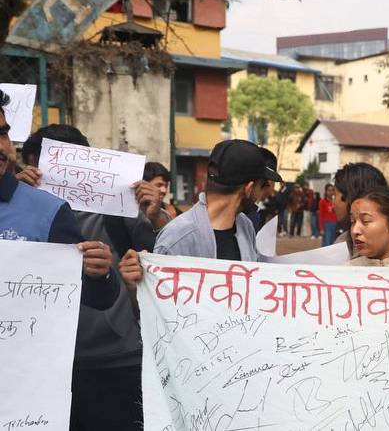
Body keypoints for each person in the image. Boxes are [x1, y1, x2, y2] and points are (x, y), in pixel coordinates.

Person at [20, 124, 168, 431]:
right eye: (41, 172)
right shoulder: (19, 207)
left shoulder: (119, 206)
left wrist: (156, 215)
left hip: (116, 358)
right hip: (42, 362)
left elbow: (164, 254)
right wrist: (14, 200)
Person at [0, 90, 117, 311]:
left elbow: (94, 295)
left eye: (3, 134)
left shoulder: (50, 211)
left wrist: (99, 274)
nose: (2, 147)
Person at [151, 139, 281, 261]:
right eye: (262, 185)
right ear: (249, 188)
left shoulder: (246, 227)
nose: (261, 194)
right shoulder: (178, 238)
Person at [331, 162, 388, 247]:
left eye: (335, 195)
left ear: (350, 197)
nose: (333, 203)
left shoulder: (387, 247)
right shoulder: (343, 242)